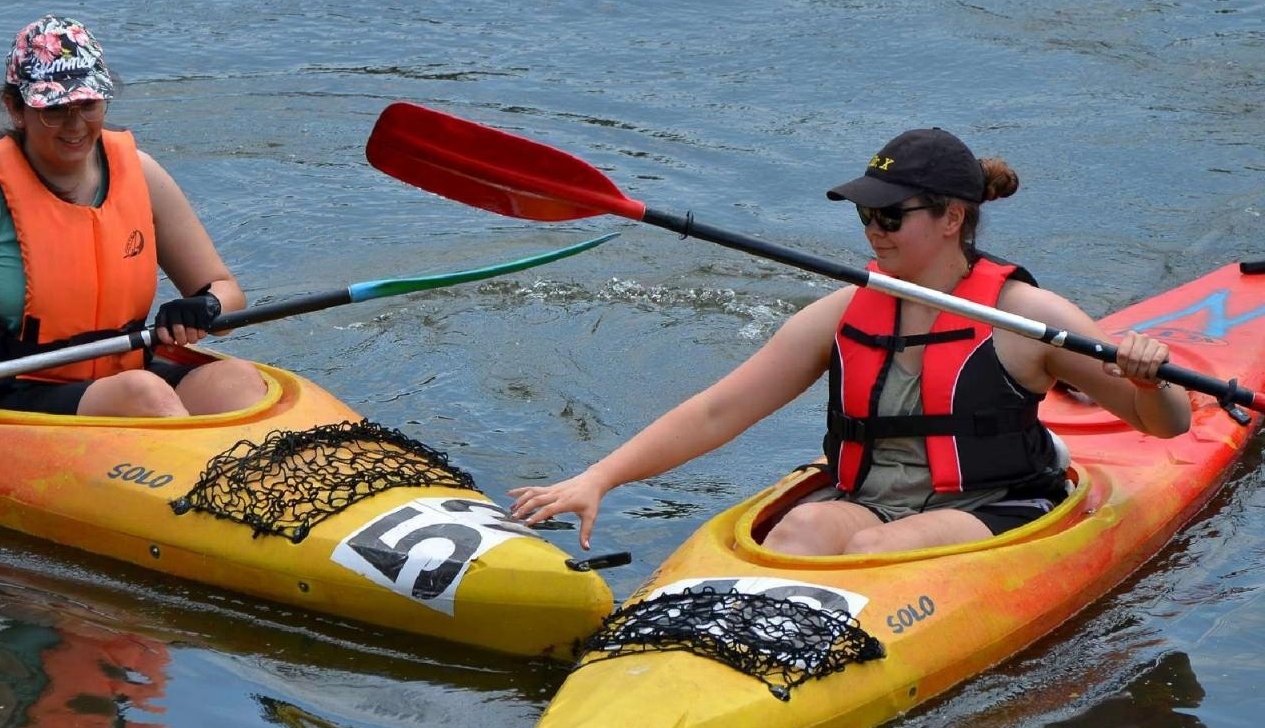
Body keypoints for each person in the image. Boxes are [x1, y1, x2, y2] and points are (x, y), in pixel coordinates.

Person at [509, 127, 1191, 555]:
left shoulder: (1027, 315)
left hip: (991, 505)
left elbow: (1165, 425)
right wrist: (599, 476)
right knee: (801, 531)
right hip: (869, 499)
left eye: (892, 214)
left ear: (953, 217)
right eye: (867, 212)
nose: (874, 229)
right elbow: (719, 410)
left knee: (880, 544)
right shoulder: (842, 312)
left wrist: (1146, 379)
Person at [0, 14, 268, 419]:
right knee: (142, 396)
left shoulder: (142, 175)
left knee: (239, 383)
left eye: (88, 104)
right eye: (54, 109)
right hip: (6, 390)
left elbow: (225, 290)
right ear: (16, 109)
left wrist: (204, 306)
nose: (75, 126)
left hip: (128, 375)